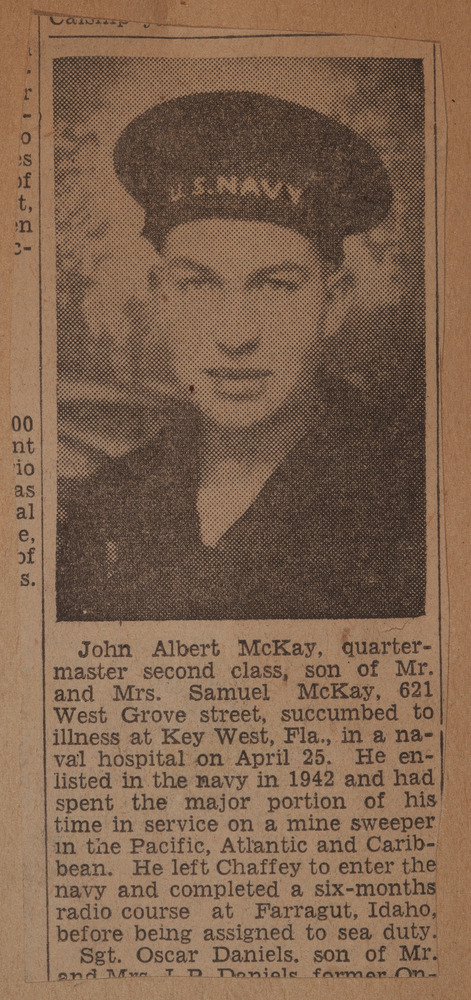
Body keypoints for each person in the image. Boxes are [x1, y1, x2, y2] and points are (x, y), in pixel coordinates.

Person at [56, 91, 425, 621]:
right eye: (198, 285)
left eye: (276, 286)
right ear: (161, 295)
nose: (236, 333)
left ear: (333, 303)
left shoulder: (412, 507)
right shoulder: (102, 510)